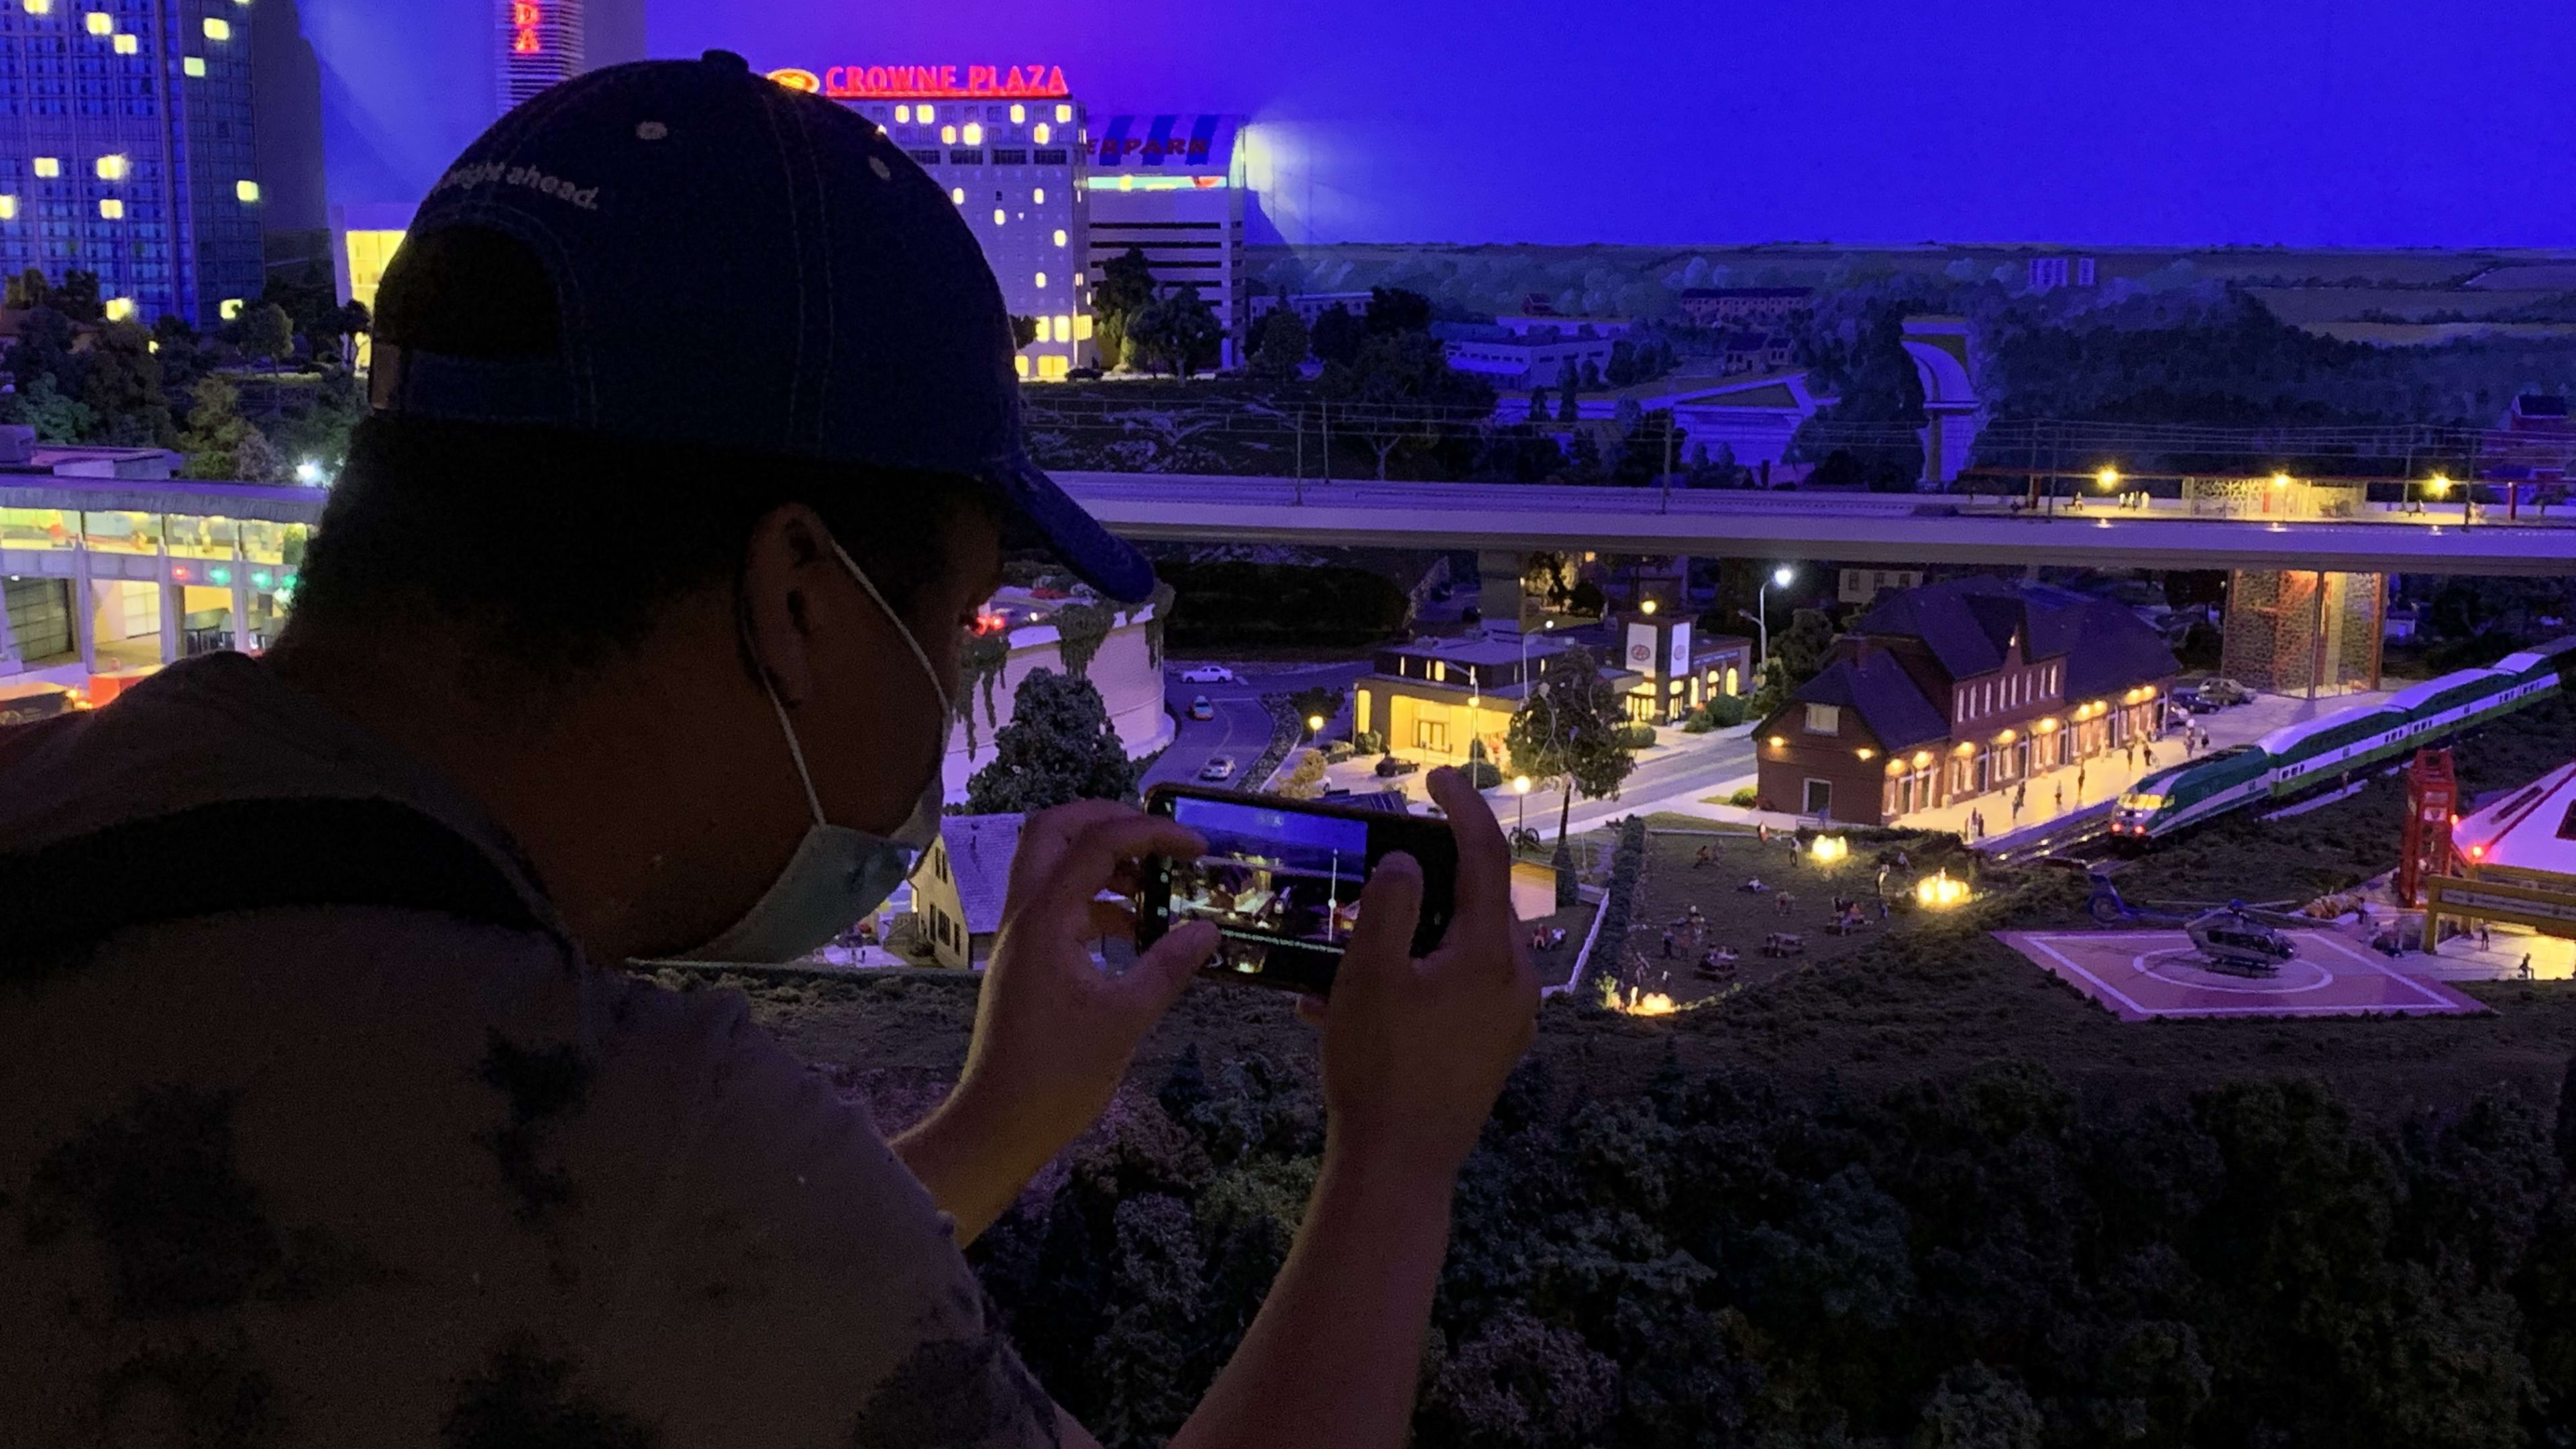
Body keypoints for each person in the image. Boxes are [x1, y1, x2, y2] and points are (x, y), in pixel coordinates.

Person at [0, 56, 1540, 1448]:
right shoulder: (643, 1147)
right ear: (801, 602)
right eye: (954, 621)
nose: (952, 682)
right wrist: (1402, 1154)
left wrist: (1002, 1123)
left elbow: (660, 1328)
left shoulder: (79, 821)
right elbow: (669, 1260)